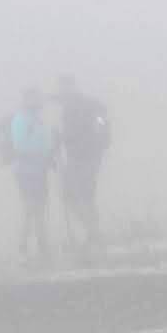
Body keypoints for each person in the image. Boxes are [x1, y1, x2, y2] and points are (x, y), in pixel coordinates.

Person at [0, 87, 58, 264]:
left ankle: (39, 248)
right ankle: (27, 248)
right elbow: (21, 147)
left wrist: (50, 151)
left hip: (38, 170)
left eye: (38, 98)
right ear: (27, 100)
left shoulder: (36, 120)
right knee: (31, 209)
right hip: (26, 171)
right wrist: (44, 154)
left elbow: (42, 142)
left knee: (36, 209)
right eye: (35, 99)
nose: (39, 102)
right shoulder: (21, 120)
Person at [53, 75, 113, 256]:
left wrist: (60, 138)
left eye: (64, 89)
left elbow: (77, 132)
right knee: (83, 195)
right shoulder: (87, 104)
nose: (62, 94)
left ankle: (93, 233)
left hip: (82, 158)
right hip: (87, 157)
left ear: (70, 88)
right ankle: (93, 232)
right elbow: (100, 122)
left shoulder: (80, 107)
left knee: (74, 195)